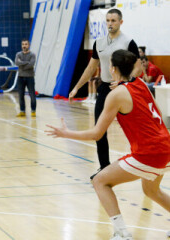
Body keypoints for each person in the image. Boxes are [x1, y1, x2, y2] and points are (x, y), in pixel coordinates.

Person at [47, 50, 170, 240]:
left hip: (149, 153)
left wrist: (66, 133)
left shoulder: (117, 95)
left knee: (100, 181)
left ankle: (122, 233)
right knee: (150, 190)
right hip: (166, 147)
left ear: (112, 69)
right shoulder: (142, 84)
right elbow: (159, 113)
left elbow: (97, 133)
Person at [68, 9, 141, 179]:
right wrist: (77, 87)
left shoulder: (129, 42)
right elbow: (91, 68)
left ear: (120, 22)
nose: (110, 23)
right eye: (108, 20)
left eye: (113, 20)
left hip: (124, 89)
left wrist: (126, 81)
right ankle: (104, 167)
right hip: (105, 89)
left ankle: (141, 163)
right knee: (99, 130)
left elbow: (138, 67)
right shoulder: (99, 43)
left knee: (134, 129)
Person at [15, 39, 36, 117]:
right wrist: (26, 62)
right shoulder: (18, 54)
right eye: (23, 44)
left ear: (29, 45)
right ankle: (22, 111)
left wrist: (22, 65)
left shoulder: (32, 54)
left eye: (26, 44)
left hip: (30, 77)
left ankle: (33, 111)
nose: (24, 46)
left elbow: (31, 64)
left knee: (32, 94)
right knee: (21, 95)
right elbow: (17, 63)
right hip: (20, 77)